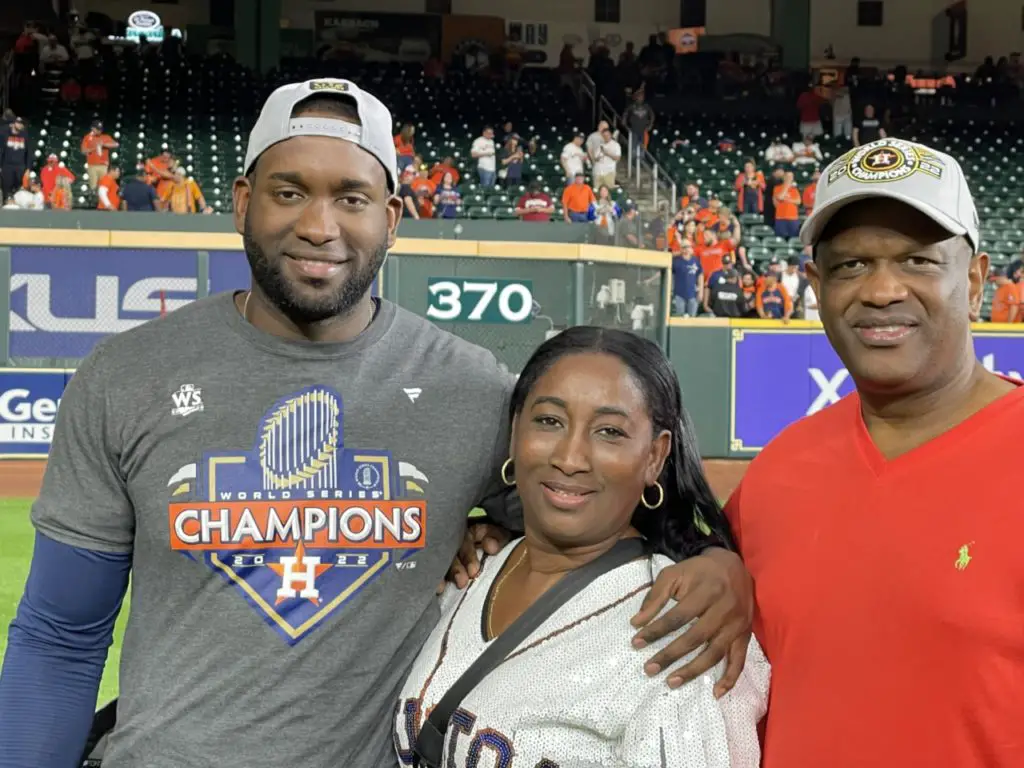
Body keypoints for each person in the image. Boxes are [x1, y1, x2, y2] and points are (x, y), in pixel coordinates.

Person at [0, 78, 753, 768]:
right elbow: (61, 637)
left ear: (391, 217)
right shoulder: (127, 376)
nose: (319, 226)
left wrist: (717, 563)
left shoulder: (474, 390)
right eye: (288, 192)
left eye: (352, 198)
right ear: (240, 202)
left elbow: (603, 519)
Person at [726, 137, 1024, 767]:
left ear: (973, 280)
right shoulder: (779, 470)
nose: (882, 290)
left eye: (917, 261)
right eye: (851, 265)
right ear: (816, 285)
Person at [397, 327, 770, 767]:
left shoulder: (686, 631)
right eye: (549, 421)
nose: (570, 458)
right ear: (516, 430)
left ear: (654, 456)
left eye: (609, 431)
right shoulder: (471, 571)